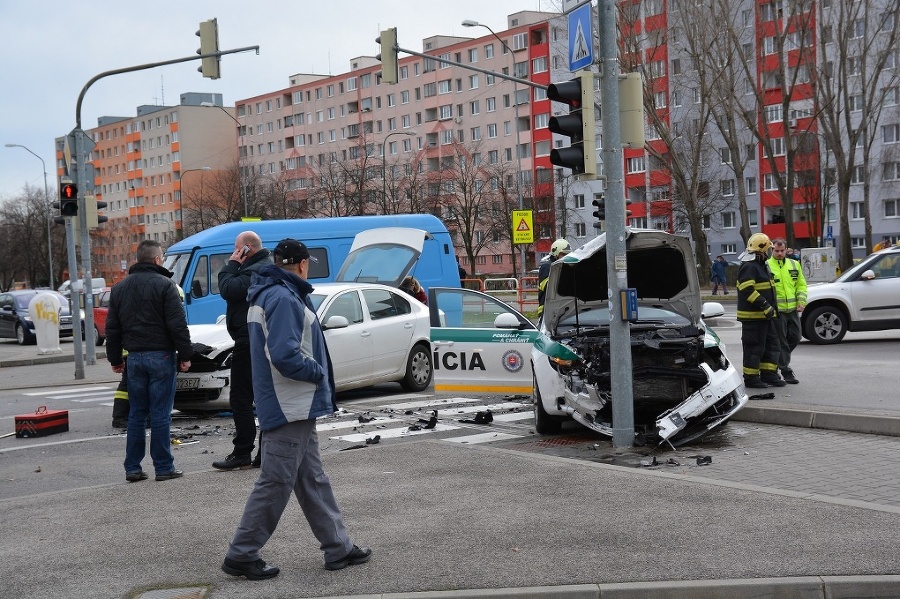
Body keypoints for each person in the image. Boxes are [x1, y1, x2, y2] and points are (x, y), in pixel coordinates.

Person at [222, 238, 371, 581]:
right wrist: (318, 373)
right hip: (290, 404)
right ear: (304, 264)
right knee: (276, 481)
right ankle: (242, 553)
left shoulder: (273, 292)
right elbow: (285, 355)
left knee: (312, 479)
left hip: (293, 404)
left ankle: (339, 547)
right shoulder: (284, 297)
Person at [106, 240, 193, 482]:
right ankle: (164, 468)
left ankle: (132, 468)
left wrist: (115, 358)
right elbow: (177, 325)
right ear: (157, 259)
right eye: (162, 257)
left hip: (134, 358)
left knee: (136, 414)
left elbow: (112, 329)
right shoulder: (166, 286)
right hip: (161, 356)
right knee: (160, 414)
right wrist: (185, 355)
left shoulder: (120, 288)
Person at [213, 231, 272, 471]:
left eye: (237, 249)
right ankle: (261, 453)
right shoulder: (259, 267)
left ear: (247, 249)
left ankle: (243, 453)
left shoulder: (256, 270)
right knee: (259, 397)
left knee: (242, 398)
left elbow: (229, 289)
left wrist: (231, 265)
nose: (234, 253)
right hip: (250, 339)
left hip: (250, 341)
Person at [736, 233, 784, 389]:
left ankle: (769, 374)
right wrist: (765, 305)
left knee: (771, 345)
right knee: (754, 347)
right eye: (768, 249)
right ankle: (751, 378)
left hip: (765, 316)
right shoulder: (749, 266)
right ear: (760, 250)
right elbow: (746, 290)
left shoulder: (761, 264)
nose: (769, 252)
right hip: (753, 317)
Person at [767, 239, 807, 385]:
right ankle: (785, 370)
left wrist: (801, 302)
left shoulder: (794, 264)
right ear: (772, 250)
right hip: (777, 311)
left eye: (782, 250)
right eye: (776, 251)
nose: (779, 253)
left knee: (796, 337)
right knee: (781, 342)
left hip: (792, 310)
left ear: (785, 250)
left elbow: (801, 285)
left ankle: (777, 362)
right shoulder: (767, 266)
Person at [537, 239, 570, 318]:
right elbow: (548, 286)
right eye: (564, 254)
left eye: (568, 254)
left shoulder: (563, 266)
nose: (566, 257)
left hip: (561, 308)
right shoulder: (547, 267)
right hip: (546, 310)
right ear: (556, 254)